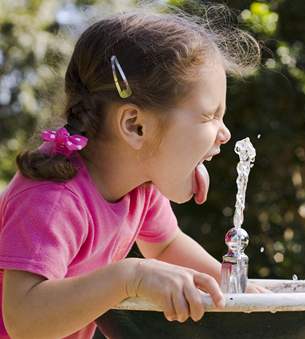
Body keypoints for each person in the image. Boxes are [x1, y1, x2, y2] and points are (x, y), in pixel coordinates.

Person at [0, 6, 263, 339]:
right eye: (208, 116)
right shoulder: (53, 198)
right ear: (135, 126)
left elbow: (167, 245)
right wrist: (130, 276)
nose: (224, 133)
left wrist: (240, 296)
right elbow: (24, 320)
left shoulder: (140, 188)